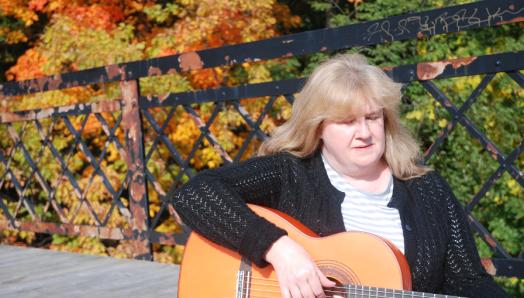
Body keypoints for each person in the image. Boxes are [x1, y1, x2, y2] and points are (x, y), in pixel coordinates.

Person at [170, 54, 508, 298]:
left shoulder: (427, 189)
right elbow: (193, 195)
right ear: (317, 128)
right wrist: (278, 248)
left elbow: (467, 281)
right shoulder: (292, 173)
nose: (364, 133)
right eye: (347, 122)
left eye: (373, 117)